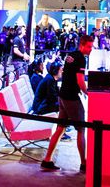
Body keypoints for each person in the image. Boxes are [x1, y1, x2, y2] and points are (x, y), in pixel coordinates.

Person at [41, 34, 94, 172]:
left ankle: (47, 159)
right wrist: (89, 93)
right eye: (89, 46)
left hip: (63, 96)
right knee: (81, 129)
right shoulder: (81, 59)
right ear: (82, 45)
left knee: (60, 128)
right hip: (71, 98)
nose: (91, 49)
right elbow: (80, 81)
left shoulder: (70, 55)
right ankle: (84, 164)